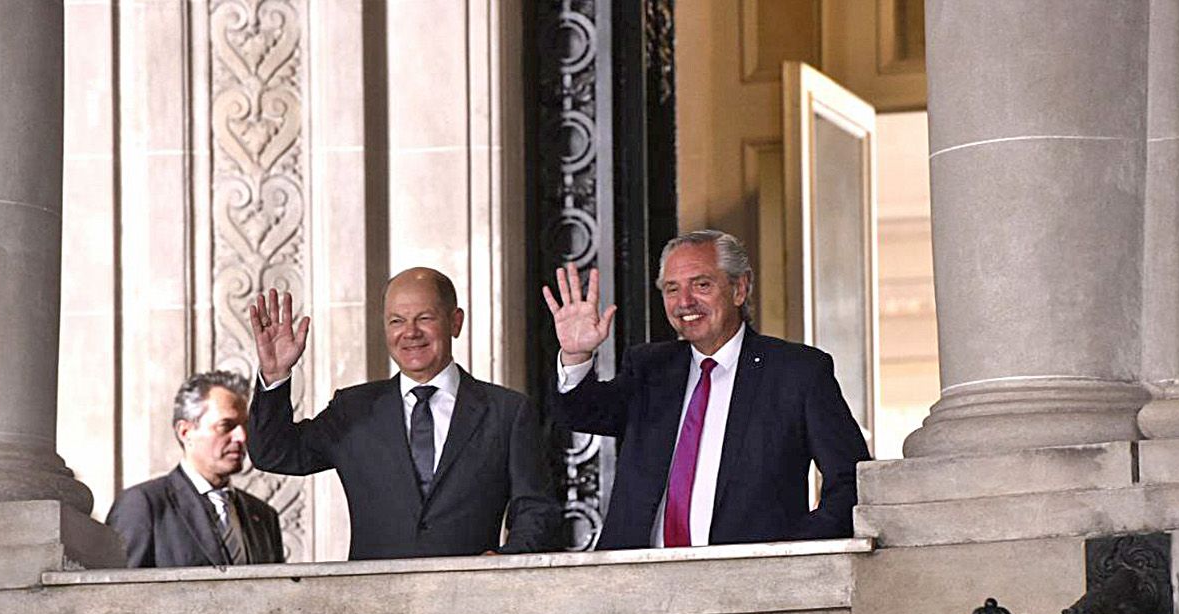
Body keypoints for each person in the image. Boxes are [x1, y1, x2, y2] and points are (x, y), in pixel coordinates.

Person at [543, 230, 870, 549]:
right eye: (672, 289)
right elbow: (580, 412)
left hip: (752, 582)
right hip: (637, 581)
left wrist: (793, 550)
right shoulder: (649, 368)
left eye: (701, 285)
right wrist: (576, 353)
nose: (685, 302)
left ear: (739, 289)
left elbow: (851, 482)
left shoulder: (796, 372)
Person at [247, 268, 560, 560]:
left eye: (424, 318)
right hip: (375, 606)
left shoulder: (507, 412)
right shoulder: (354, 409)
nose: (410, 333)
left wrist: (507, 562)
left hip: (472, 601)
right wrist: (275, 377)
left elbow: (536, 509)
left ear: (455, 322)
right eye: (396, 321)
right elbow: (273, 454)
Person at [107, 371, 285, 567]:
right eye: (226, 426)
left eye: (245, 426)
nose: (241, 437)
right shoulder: (143, 506)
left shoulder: (264, 516)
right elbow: (118, 593)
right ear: (185, 432)